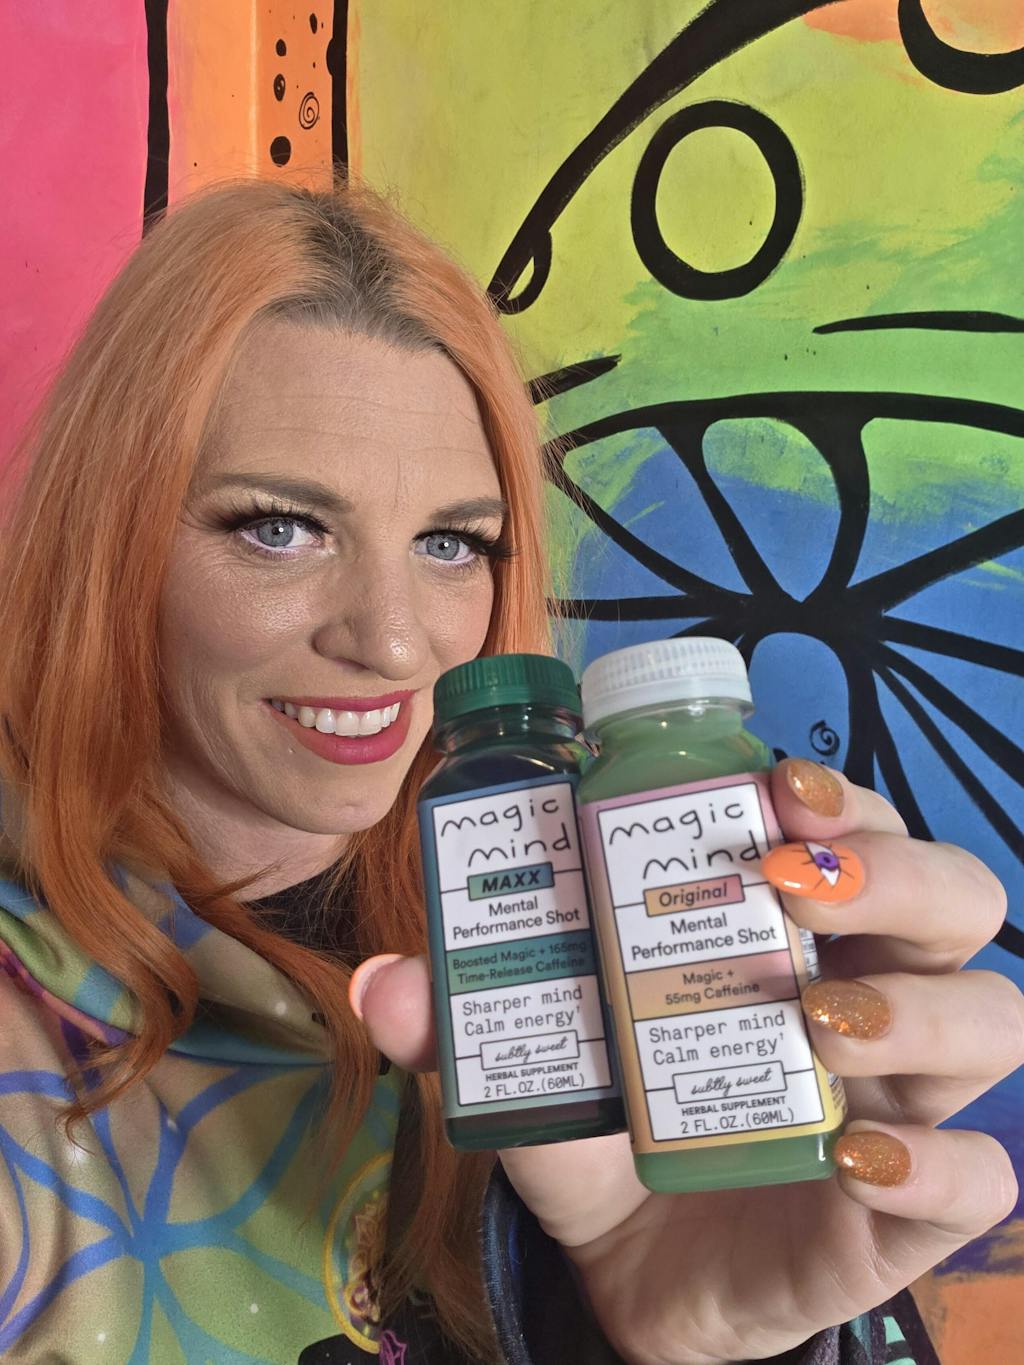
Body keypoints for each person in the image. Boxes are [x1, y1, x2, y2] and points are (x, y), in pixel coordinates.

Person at [0, 179, 1019, 1365]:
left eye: (450, 543)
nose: (394, 643)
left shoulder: (634, 931)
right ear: (105, 539)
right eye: (280, 527)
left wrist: (716, 1339)